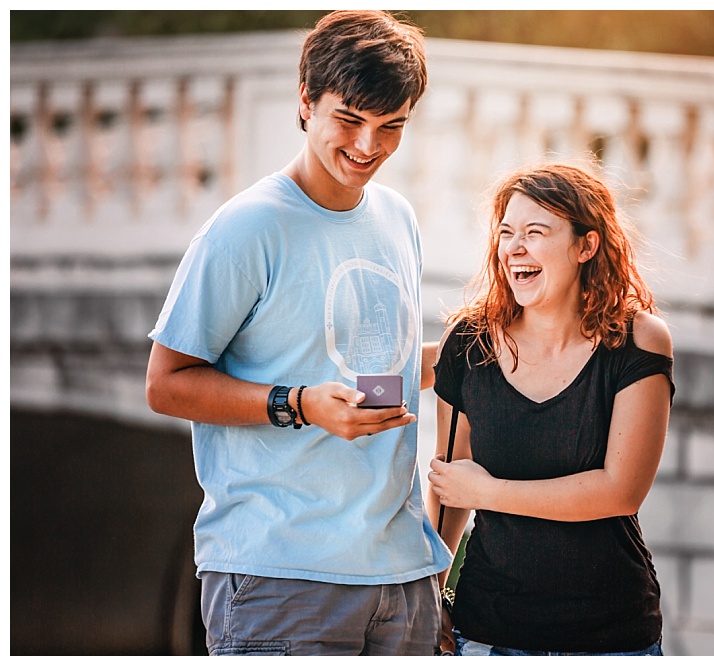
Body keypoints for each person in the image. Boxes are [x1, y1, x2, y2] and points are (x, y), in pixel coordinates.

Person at [145, 10, 452, 656]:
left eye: (391, 126)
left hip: (401, 577)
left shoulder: (397, 218)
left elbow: (370, 366)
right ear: (306, 102)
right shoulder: (245, 229)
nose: (369, 146)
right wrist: (299, 404)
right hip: (280, 578)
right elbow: (166, 384)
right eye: (350, 120)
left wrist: (461, 356)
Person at [426, 162, 675, 656]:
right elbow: (451, 489)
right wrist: (430, 596)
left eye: (535, 233)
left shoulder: (638, 342)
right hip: (487, 633)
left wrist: (491, 492)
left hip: (613, 636)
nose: (515, 247)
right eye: (506, 233)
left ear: (586, 246)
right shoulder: (469, 345)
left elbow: (620, 491)